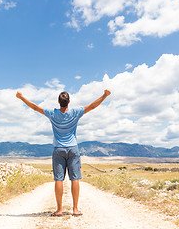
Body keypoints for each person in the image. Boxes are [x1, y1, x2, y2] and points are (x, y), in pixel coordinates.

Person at [16, 89, 111, 217]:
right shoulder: (75, 112)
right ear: (69, 102)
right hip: (73, 148)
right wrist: (104, 95)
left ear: (58, 102)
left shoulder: (52, 113)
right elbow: (93, 106)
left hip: (58, 149)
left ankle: (59, 210)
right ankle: (75, 209)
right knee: (75, 178)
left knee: (59, 179)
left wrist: (21, 97)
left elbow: (35, 107)